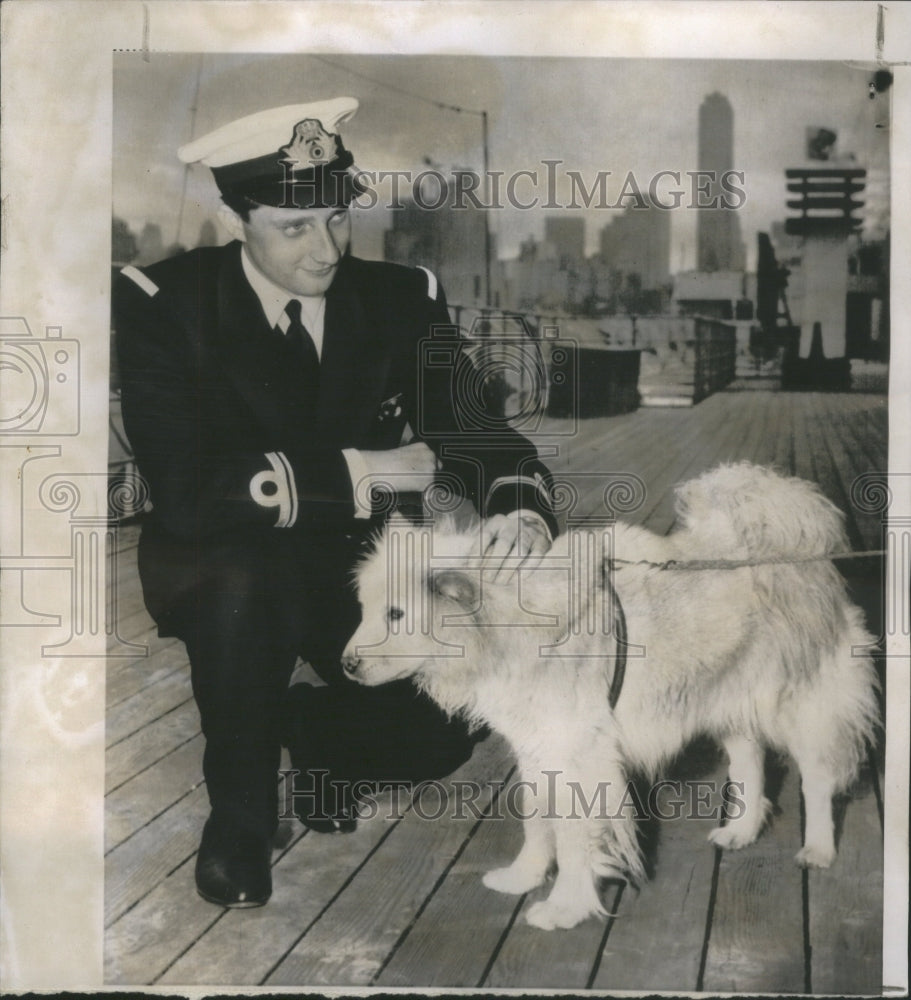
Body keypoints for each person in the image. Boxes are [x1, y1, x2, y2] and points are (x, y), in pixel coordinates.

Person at [113, 97, 557, 909]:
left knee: (445, 721)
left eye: (335, 220)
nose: (325, 250)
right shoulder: (160, 302)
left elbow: (471, 427)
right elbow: (184, 487)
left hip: (353, 565)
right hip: (219, 558)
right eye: (294, 227)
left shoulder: (396, 297)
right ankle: (240, 825)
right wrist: (361, 472)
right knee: (244, 601)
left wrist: (518, 503)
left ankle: (316, 745)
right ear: (234, 217)